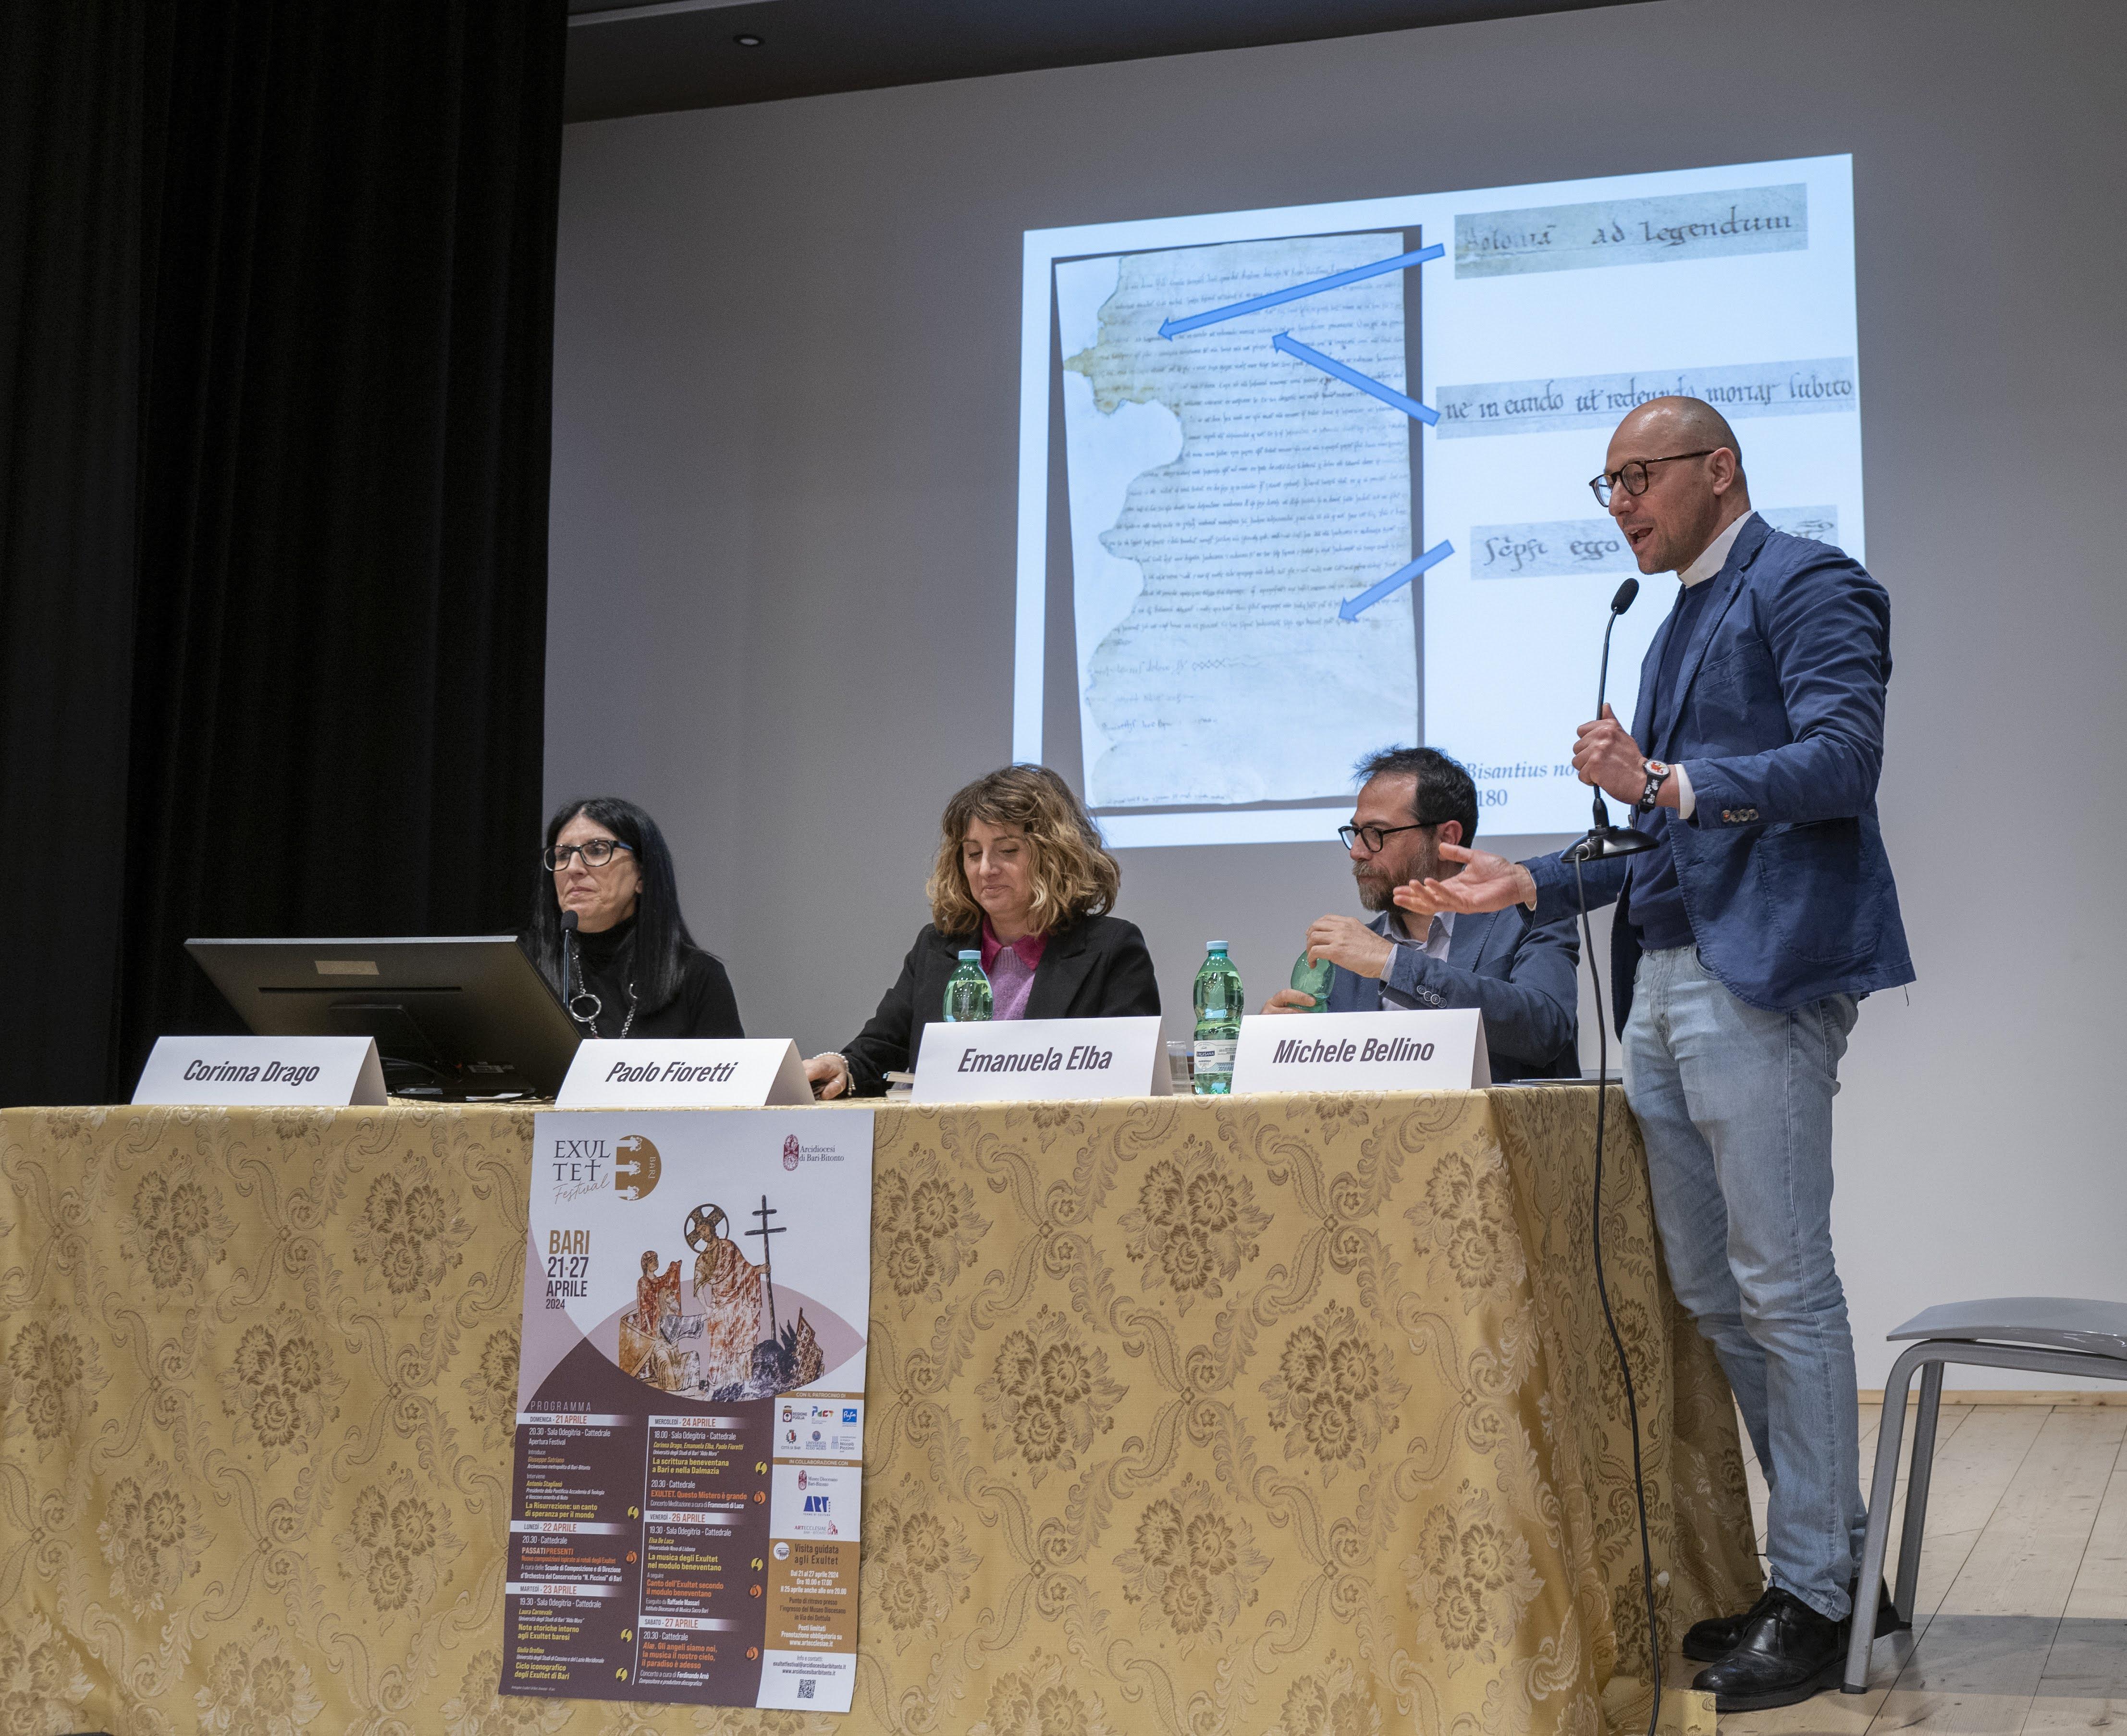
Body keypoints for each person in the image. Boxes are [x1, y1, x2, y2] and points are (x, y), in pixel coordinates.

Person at [1395, 397, 1912, 1712]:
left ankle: (1818, 1590)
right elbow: (1656, 841)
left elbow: (1841, 762)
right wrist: (1529, 883)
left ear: (1716, 469)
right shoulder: (1673, 616)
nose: (1619, 503)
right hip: (1666, 982)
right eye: (1606, 483)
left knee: (1781, 1285)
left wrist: (1669, 780)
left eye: (1637, 476)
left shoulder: (1807, 582)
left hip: (1762, 978)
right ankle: (1836, 1563)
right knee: (1713, 1288)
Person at [807, 764, 1158, 1098]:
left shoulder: (1112, 948)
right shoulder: (936, 947)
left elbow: (1127, 1075)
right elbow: (880, 1049)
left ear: (1055, 856)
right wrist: (842, 1066)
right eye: (974, 853)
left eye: (1007, 850)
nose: (986, 869)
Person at [1260, 746, 1580, 1082]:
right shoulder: (1344, 956)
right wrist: (1279, 1042)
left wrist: (1392, 964)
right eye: (1356, 832)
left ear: (1446, 838)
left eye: (1376, 833)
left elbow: (1546, 1030)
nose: (1357, 851)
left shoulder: (1531, 917)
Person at [526, 796, 743, 1039]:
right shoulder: (522, 966)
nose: (573, 868)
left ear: (642, 875)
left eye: (597, 850)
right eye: (563, 855)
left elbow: (727, 1066)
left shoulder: (697, 977)